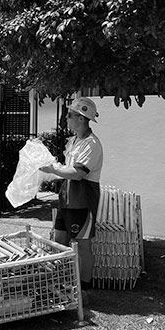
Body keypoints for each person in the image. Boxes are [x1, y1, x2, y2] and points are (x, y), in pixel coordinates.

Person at [39, 97, 103, 298]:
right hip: (67, 198)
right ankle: (61, 282)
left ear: (82, 119)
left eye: (70, 115)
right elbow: (67, 170)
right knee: (59, 238)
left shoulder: (92, 145)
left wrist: (54, 169)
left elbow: (77, 173)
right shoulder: (74, 141)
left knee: (82, 244)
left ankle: (85, 288)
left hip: (82, 200)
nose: (66, 118)